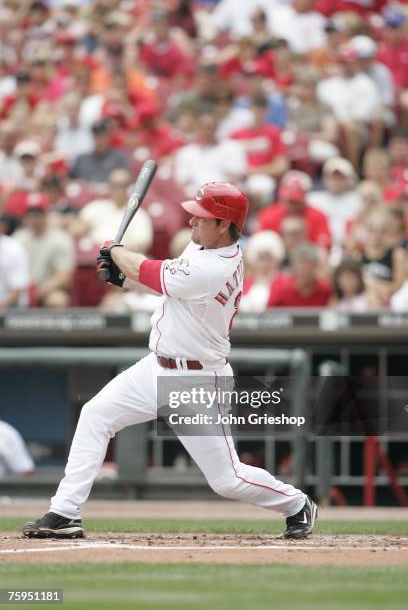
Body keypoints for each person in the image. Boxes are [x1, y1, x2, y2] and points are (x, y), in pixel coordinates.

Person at [22, 182, 317, 540]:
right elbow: (168, 287)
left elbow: (154, 272)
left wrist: (116, 254)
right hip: (155, 367)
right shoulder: (203, 248)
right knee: (96, 415)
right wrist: (124, 279)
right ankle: (65, 511)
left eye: (202, 217)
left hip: (196, 380)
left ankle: (296, 503)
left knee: (227, 479)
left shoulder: (216, 266)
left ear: (224, 225)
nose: (191, 221)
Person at [13, 192, 75, 308]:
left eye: (38, 213)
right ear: (25, 215)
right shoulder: (18, 238)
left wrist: (36, 293)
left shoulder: (60, 238)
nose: (34, 217)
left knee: (57, 300)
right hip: (20, 288)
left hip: (46, 289)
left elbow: (63, 276)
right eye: (30, 213)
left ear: (46, 214)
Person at [257, 170, 332, 250]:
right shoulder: (268, 215)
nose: (290, 205)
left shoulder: (318, 216)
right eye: (286, 200)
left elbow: (325, 246)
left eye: (295, 202)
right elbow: (260, 246)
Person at [267, 243, 332, 308]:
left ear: (316, 267)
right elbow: (268, 314)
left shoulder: (324, 290)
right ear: (293, 266)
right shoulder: (280, 287)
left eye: (309, 266)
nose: (305, 270)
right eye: (301, 265)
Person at [0, 214, 30, 309]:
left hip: (12, 309)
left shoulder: (14, 249)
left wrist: (2, 305)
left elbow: (17, 290)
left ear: (2, 228)